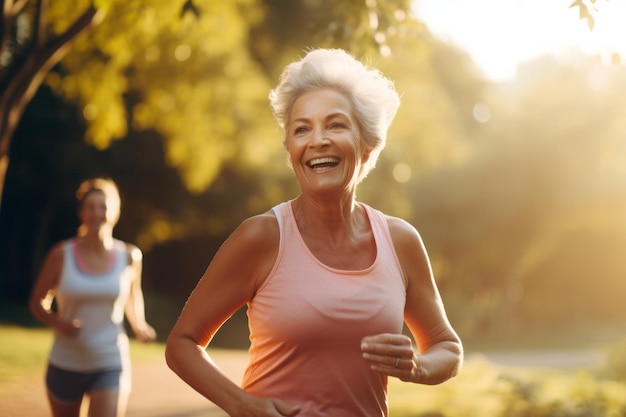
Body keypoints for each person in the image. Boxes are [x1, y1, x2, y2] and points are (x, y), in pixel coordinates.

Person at [165, 48, 463, 416]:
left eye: (335, 125)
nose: (317, 140)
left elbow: (447, 347)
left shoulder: (400, 242)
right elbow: (182, 342)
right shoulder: (262, 237)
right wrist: (243, 405)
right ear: (290, 149)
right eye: (301, 129)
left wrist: (417, 366)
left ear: (367, 145)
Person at [29, 177, 157, 417]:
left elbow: (132, 295)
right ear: (81, 212)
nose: (97, 213)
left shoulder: (129, 256)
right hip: (66, 362)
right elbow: (36, 303)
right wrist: (59, 322)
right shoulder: (61, 254)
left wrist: (139, 324)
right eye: (91, 207)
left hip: (109, 361)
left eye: (103, 207)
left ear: (114, 212)